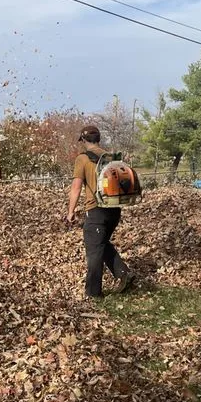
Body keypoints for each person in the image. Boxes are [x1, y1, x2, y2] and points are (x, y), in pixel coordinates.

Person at [66, 124, 133, 298]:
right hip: (115, 210)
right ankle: (123, 273)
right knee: (101, 243)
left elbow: (76, 187)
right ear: (99, 139)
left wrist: (70, 211)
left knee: (94, 250)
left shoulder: (83, 159)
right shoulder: (110, 157)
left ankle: (93, 293)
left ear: (83, 140)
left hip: (96, 210)